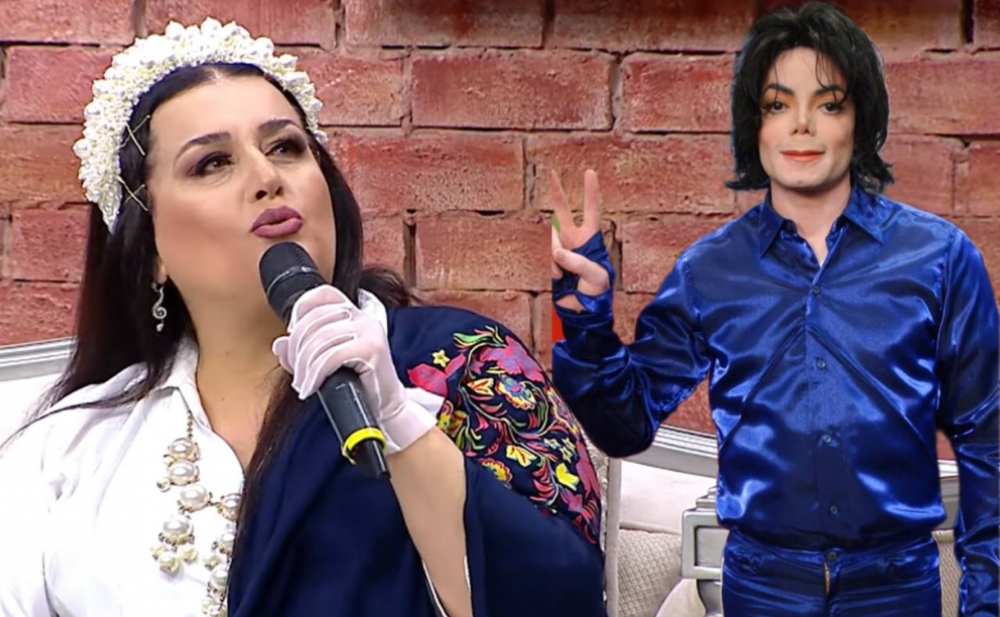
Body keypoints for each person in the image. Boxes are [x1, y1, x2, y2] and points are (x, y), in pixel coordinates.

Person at [0, 18, 605, 617]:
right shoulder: (71, 445)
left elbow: (561, 597)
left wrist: (401, 425)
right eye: (211, 163)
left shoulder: (459, 362)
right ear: (150, 247)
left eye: (286, 148)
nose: (267, 179)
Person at [550, 3, 998, 616]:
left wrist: (986, 602)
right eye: (778, 105)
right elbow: (625, 425)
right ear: (754, 125)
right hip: (763, 586)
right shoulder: (709, 271)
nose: (802, 127)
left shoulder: (940, 258)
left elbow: (987, 440)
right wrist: (586, 319)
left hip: (896, 585)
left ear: (860, 120)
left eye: (829, 105)